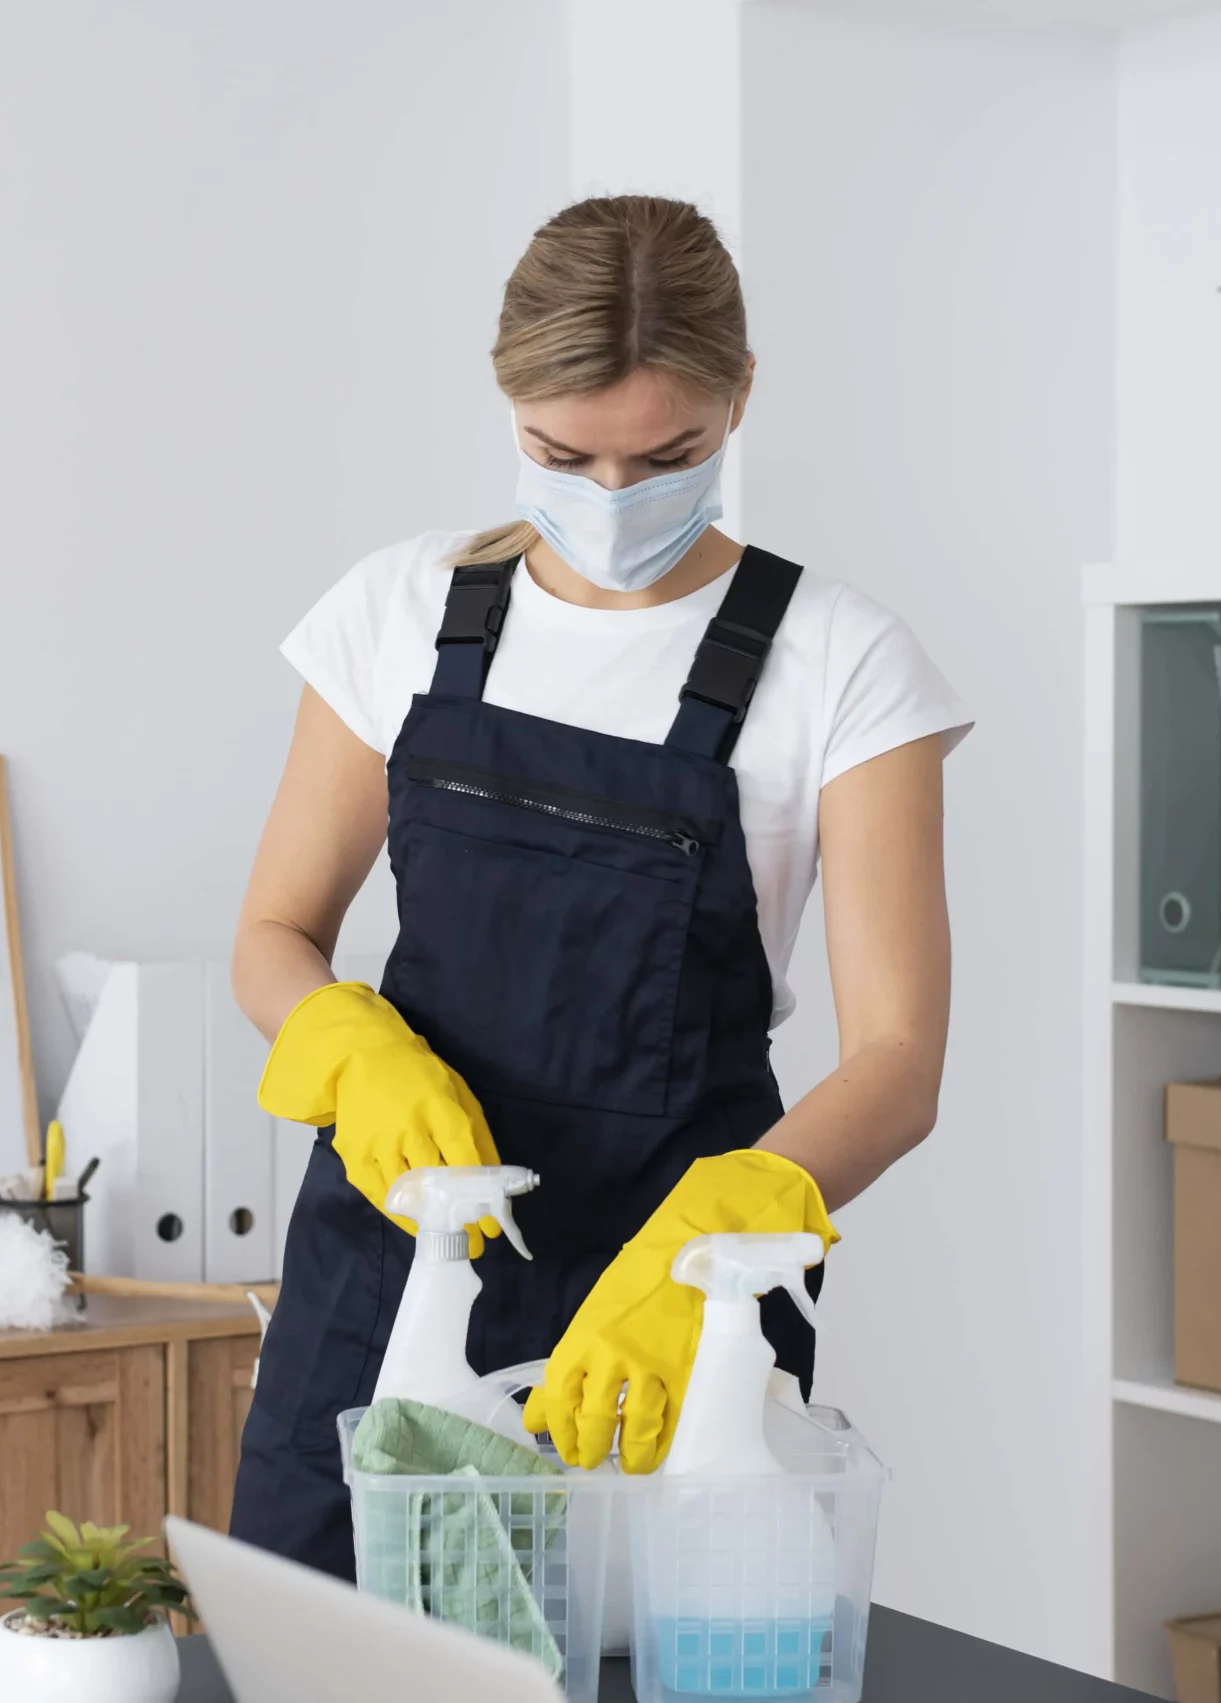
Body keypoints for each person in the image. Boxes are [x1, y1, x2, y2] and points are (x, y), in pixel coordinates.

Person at [227, 194, 969, 1579]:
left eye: (667, 454)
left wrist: (728, 1231)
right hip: (396, 1261)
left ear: (740, 399)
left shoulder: (844, 664)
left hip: (676, 1280)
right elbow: (274, 933)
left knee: (654, 1649)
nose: (614, 500)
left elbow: (899, 1058)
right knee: (317, 1648)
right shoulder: (397, 612)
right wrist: (346, 1045)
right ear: (509, 403)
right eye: (564, 453)